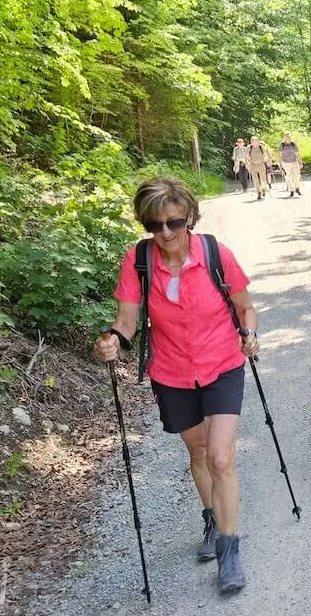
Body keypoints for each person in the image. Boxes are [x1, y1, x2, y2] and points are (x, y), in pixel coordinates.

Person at [93, 177, 260, 594]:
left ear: (189, 218)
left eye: (173, 223)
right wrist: (112, 340)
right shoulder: (139, 260)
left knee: (221, 457)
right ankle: (210, 517)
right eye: (154, 226)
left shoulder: (215, 254)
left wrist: (250, 334)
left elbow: (245, 306)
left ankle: (229, 547)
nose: (164, 233)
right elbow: (127, 321)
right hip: (171, 372)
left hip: (222, 362)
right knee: (199, 451)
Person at [246, 135, 272, 200]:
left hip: (261, 165)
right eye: (253, 141)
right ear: (251, 142)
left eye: (255, 141)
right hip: (253, 165)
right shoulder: (249, 147)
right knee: (255, 180)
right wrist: (247, 164)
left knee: (263, 180)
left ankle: (263, 189)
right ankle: (258, 192)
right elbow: (246, 157)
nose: (254, 143)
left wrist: (267, 160)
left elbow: (265, 155)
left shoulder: (261, 147)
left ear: (258, 142)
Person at [279, 133, 303, 198]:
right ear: (284, 138)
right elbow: (280, 155)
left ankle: (297, 188)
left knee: (297, 176)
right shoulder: (282, 145)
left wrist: (300, 162)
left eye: (289, 137)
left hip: (294, 162)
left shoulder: (294, 144)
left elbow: (297, 154)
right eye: (286, 137)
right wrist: (280, 163)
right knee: (289, 177)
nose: (288, 138)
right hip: (286, 163)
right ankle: (291, 190)